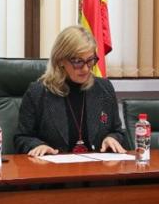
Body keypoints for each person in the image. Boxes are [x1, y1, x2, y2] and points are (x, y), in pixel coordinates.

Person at [15, 26, 127, 156]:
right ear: (60, 60)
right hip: (55, 172)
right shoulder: (38, 92)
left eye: (90, 60)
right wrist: (38, 146)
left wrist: (113, 138)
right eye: (78, 61)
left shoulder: (104, 89)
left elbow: (118, 131)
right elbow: (22, 137)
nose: (86, 69)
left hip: (97, 171)